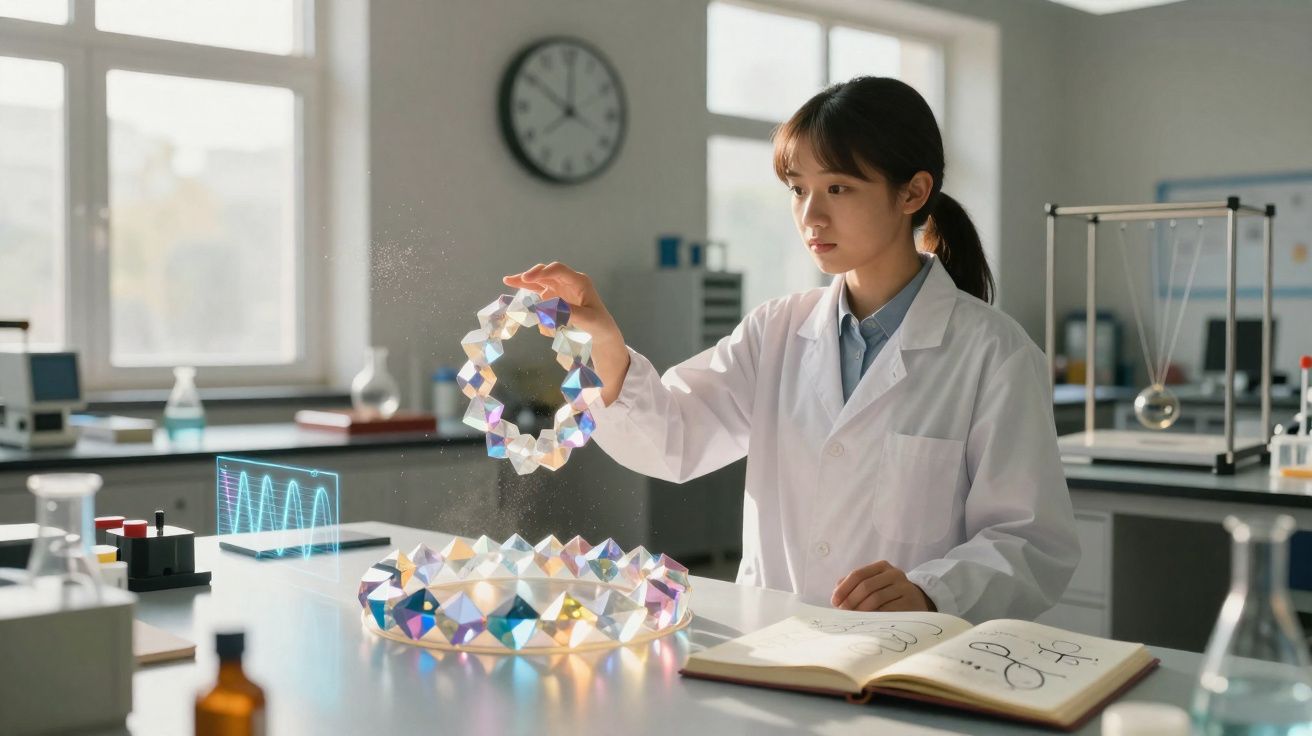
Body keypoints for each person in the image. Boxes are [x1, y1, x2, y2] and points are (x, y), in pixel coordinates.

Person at [504, 76, 1078, 623]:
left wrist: (932, 592)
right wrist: (605, 339)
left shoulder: (994, 354)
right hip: (773, 646)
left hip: (907, 663)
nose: (810, 215)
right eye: (798, 189)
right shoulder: (776, 330)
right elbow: (672, 438)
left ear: (914, 192)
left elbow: (1029, 541)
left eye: (838, 188)